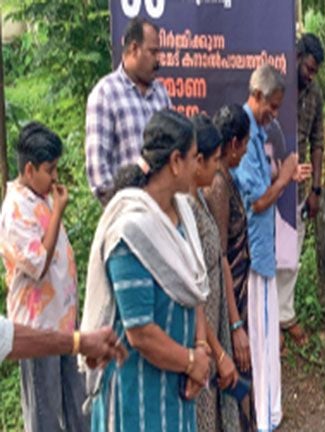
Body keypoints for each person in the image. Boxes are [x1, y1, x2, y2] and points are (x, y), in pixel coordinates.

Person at [81, 109, 211, 432]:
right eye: (194, 157)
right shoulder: (130, 232)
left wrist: (201, 348)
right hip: (136, 394)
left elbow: (194, 286)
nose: (198, 165)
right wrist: (192, 362)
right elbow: (140, 333)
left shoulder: (184, 214)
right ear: (176, 161)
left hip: (176, 391)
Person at [231, 65, 311, 431]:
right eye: (273, 106)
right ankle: (262, 418)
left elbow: (268, 189)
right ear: (258, 96)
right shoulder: (244, 136)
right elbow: (257, 203)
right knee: (260, 343)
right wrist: (282, 179)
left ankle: (269, 412)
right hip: (253, 255)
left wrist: (287, 176)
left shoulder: (258, 130)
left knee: (268, 338)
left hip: (263, 253)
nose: (275, 115)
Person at [0, 122, 87, 431]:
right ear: (29, 168)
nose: (55, 177)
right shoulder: (14, 209)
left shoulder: (42, 196)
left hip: (62, 322)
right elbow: (38, 263)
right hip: (35, 328)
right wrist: (59, 212)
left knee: (78, 407)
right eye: (49, 170)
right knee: (44, 416)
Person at [188, 115, 241, 432]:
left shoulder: (199, 200)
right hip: (200, 331)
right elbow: (189, 289)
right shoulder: (184, 210)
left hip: (214, 318)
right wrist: (218, 353)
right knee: (203, 412)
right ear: (196, 161)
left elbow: (218, 259)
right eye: (215, 159)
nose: (219, 167)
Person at [85, 17, 171, 205]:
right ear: (133, 49)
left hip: (163, 214)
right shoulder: (105, 94)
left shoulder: (161, 94)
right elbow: (98, 172)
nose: (159, 60)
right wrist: (123, 212)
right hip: (128, 215)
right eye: (153, 52)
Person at [275, 33, 325, 349]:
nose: (310, 75)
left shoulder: (315, 93)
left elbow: (318, 141)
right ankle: (269, 319)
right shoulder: (278, 87)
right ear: (296, 57)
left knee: (292, 253)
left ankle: (286, 314)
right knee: (270, 253)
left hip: (299, 186)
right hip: (270, 183)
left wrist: (316, 188)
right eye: (308, 68)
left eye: (314, 70)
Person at [207, 104, 255, 429]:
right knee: (236, 373)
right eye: (246, 144)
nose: (247, 150)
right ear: (234, 143)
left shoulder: (226, 178)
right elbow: (220, 255)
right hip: (229, 299)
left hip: (238, 293)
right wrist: (236, 326)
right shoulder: (219, 186)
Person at [0, 317, 124, 366]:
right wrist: (81, 343)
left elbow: (7, 336)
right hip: (35, 322)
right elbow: (7, 336)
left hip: (62, 328)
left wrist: (80, 342)